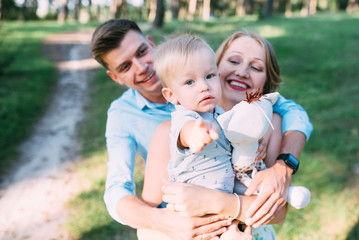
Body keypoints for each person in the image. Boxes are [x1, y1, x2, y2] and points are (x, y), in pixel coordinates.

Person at [90, 19, 313, 240]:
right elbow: (130, 205)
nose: (142, 67)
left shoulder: (265, 120)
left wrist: (283, 163)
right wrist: (169, 224)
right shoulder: (155, 127)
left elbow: (277, 211)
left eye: (141, 52)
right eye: (125, 66)